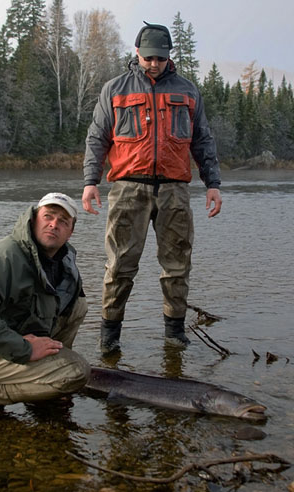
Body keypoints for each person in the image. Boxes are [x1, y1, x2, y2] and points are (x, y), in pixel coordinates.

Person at [82, 22, 222, 355]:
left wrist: (213, 184)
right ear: (136, 54)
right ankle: (109, 337)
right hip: (128, 189)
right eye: (148, 58)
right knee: (119, 266)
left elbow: (202, 139)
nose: (153, 64)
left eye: (159, 58)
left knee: (177, 265)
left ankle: (174, 334)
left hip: (174, 190)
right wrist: (90, 182)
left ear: (169, 55)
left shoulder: (188, 91)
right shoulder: (115, 89)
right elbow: (97, 138)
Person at [0, 193, 90, 412]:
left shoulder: (64, 261)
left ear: (70, 232)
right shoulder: (4, 256)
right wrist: (24, 348)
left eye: (63, 221)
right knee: (77, 372)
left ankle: (46, 381)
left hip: (11, 333)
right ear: (33, 219)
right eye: (48, 216)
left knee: (77, 305)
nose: (53, 224)